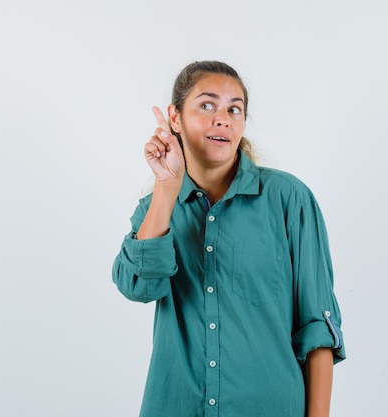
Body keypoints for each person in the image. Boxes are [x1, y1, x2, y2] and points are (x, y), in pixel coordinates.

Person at [112, 60, 345, 417]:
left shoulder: (288, 199)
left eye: (234, 109)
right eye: (207, 105)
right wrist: (166, 188)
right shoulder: (154, 208)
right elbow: (138, 287)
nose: (223, 119)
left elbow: (318, 326)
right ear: (175, 117)